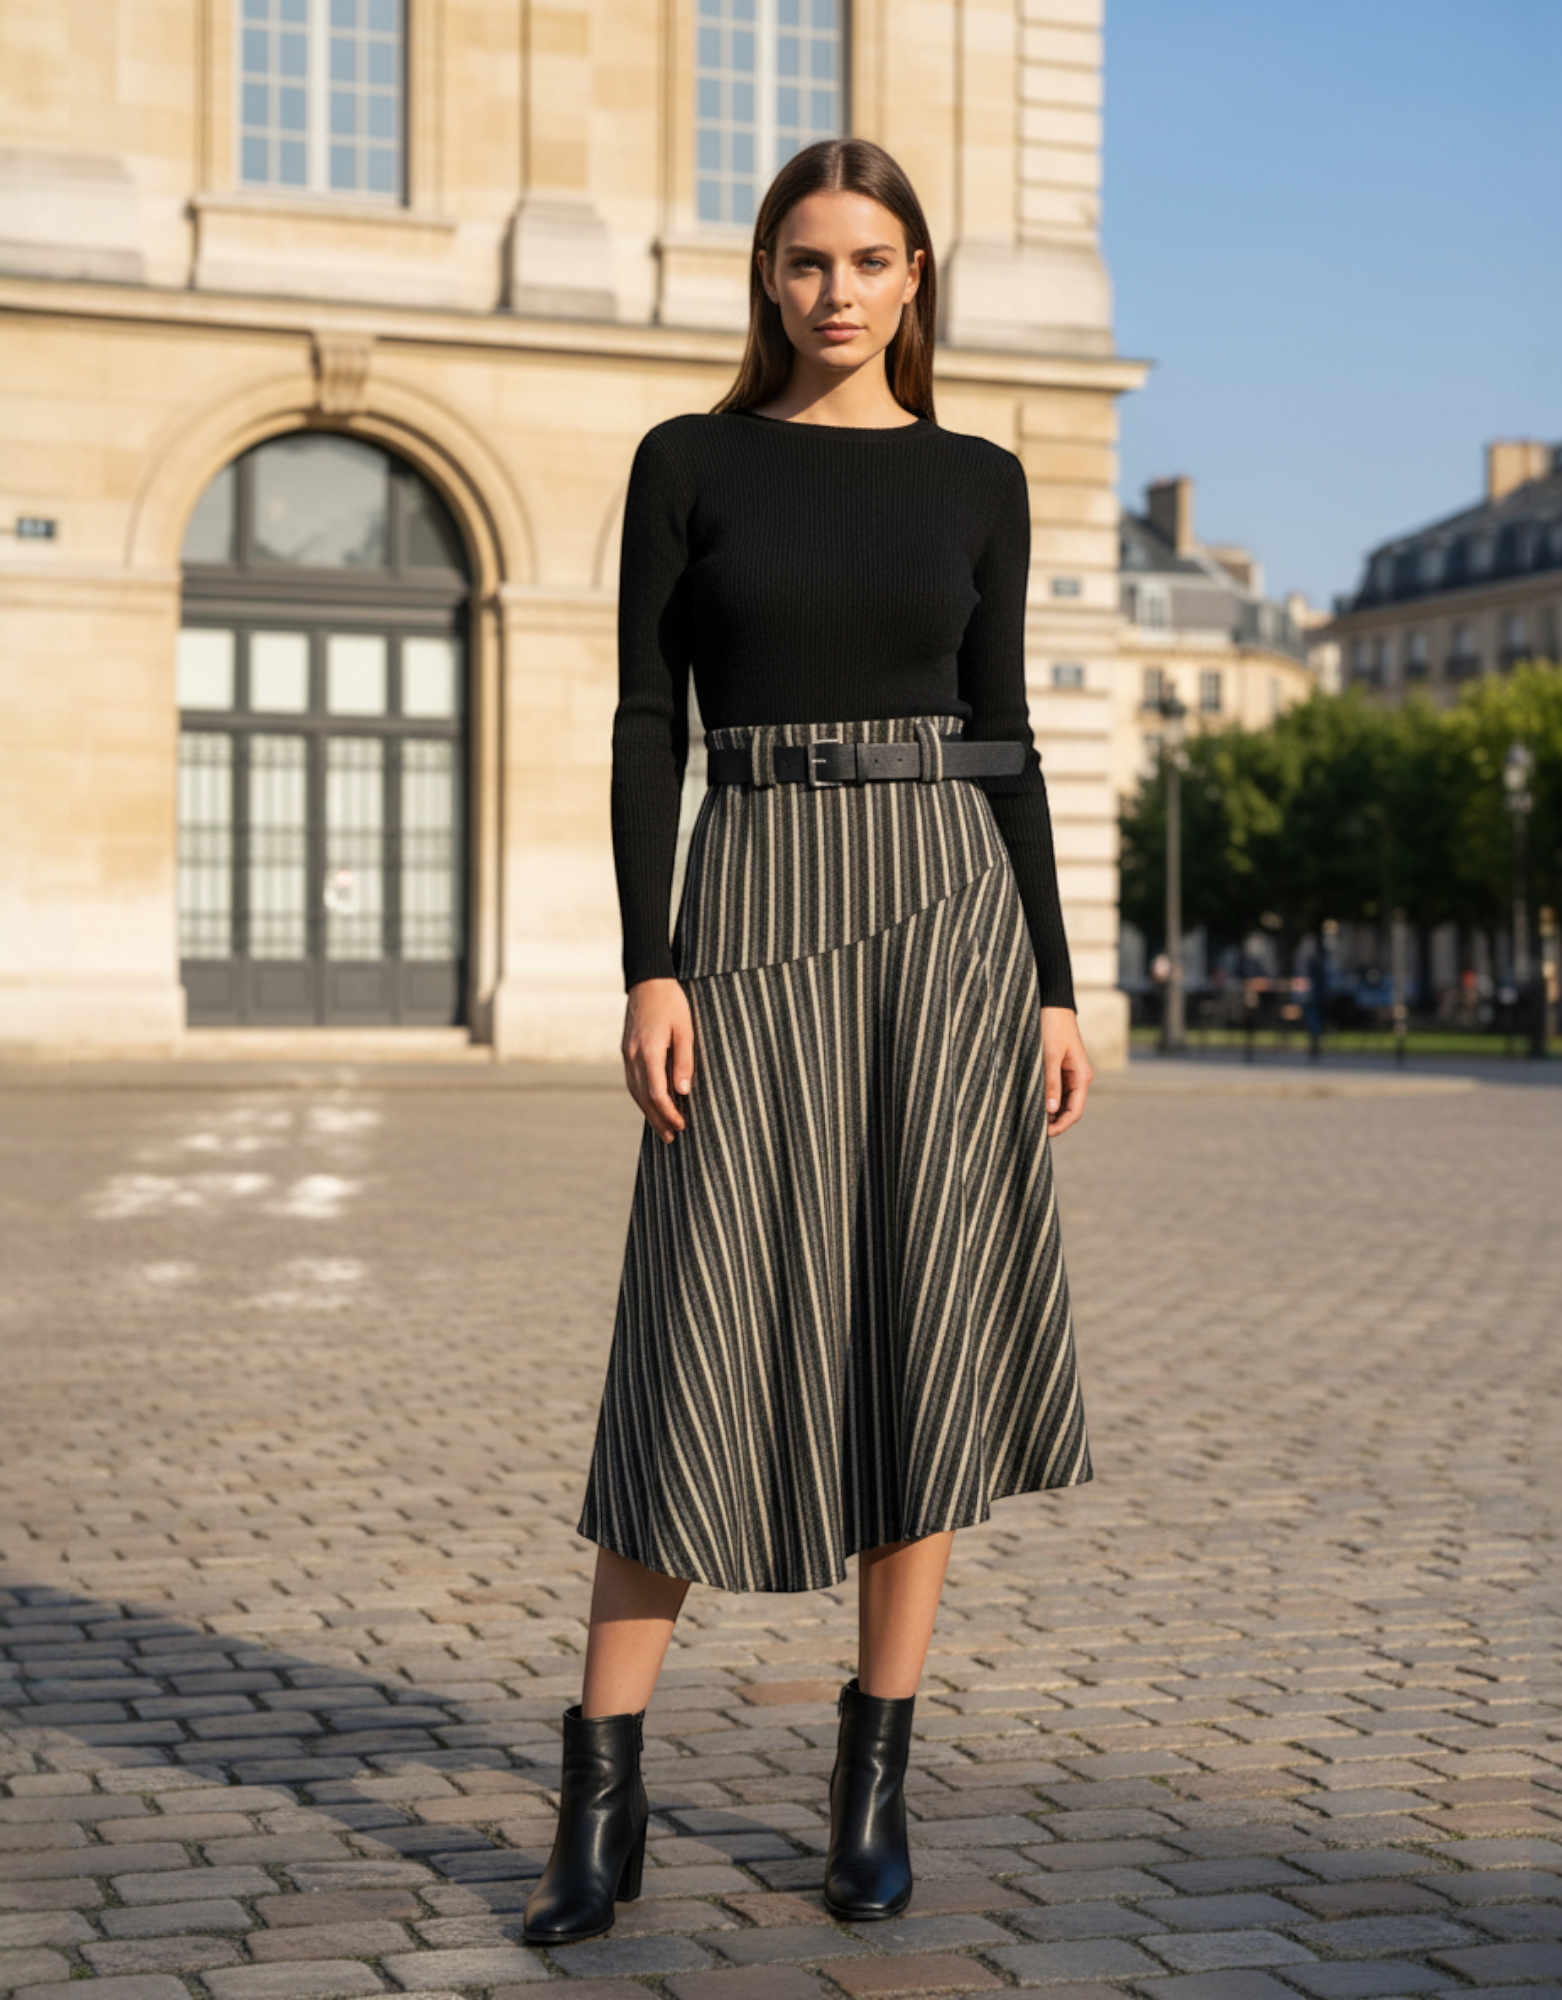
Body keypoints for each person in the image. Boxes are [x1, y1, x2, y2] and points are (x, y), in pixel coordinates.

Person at [523, 135, 1094, 1946]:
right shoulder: (687, 462)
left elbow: (1006, 736)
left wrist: (1054, 982)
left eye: (867, 260)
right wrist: (652, 965)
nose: (833, 291)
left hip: (944, 912)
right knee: (696, 1326)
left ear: (916, 277)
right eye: (802, 259)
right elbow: (646, 723)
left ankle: (874, 1778)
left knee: (918, 1325)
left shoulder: (981, 481)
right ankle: (599, 1800)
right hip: (757, 895)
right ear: (765, 276)